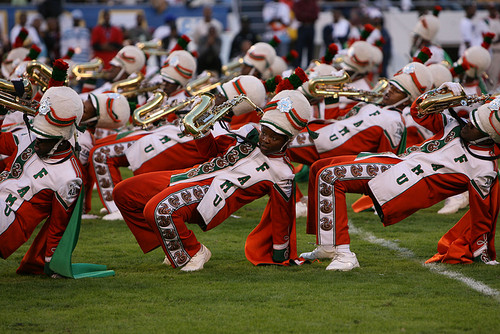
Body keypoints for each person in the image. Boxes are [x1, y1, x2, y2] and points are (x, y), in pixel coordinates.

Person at [300, 81, 499, 270]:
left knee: (329, 175)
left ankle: (344, 255)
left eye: (472, 126)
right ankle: (327, 246)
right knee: (319, 167)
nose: (466, 125)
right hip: (396, 164)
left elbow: (481, 213)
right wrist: (441, 94)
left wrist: (482, 251)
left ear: (487, 136)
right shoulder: (456, 125)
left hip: (406, 183)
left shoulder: (484, 167)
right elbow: (418, 112)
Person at [113, 88, 312, 271]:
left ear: (288, 139)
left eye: (274, 137)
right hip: (191, 175)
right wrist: (202, 132)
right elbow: (211, 152)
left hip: (213, 196)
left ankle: (194, 252)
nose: (266, 139)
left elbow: (282, 216)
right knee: (123, 192)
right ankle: (172, 246)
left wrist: (280, 254)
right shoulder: (248, 132)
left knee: (158, 209)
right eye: (265, 131)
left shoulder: (283, 172)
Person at [0, 86, 85, 275]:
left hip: (10, 223)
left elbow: (58, 224)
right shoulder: (29, 137)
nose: (37, 140)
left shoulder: (70, 176)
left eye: (44, 137)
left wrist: (52, 262)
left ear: (61, 139)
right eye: (37, 134)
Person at [292, 0, 319, 68]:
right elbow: (298, 14)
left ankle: (310, 67)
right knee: (299, 48)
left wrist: (305, 15)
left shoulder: (313, 3)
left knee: (310, 49)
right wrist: (307, 16)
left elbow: (316, 15)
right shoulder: (299, 4)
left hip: (311, 27)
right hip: (302, 27)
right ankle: (297, 68)